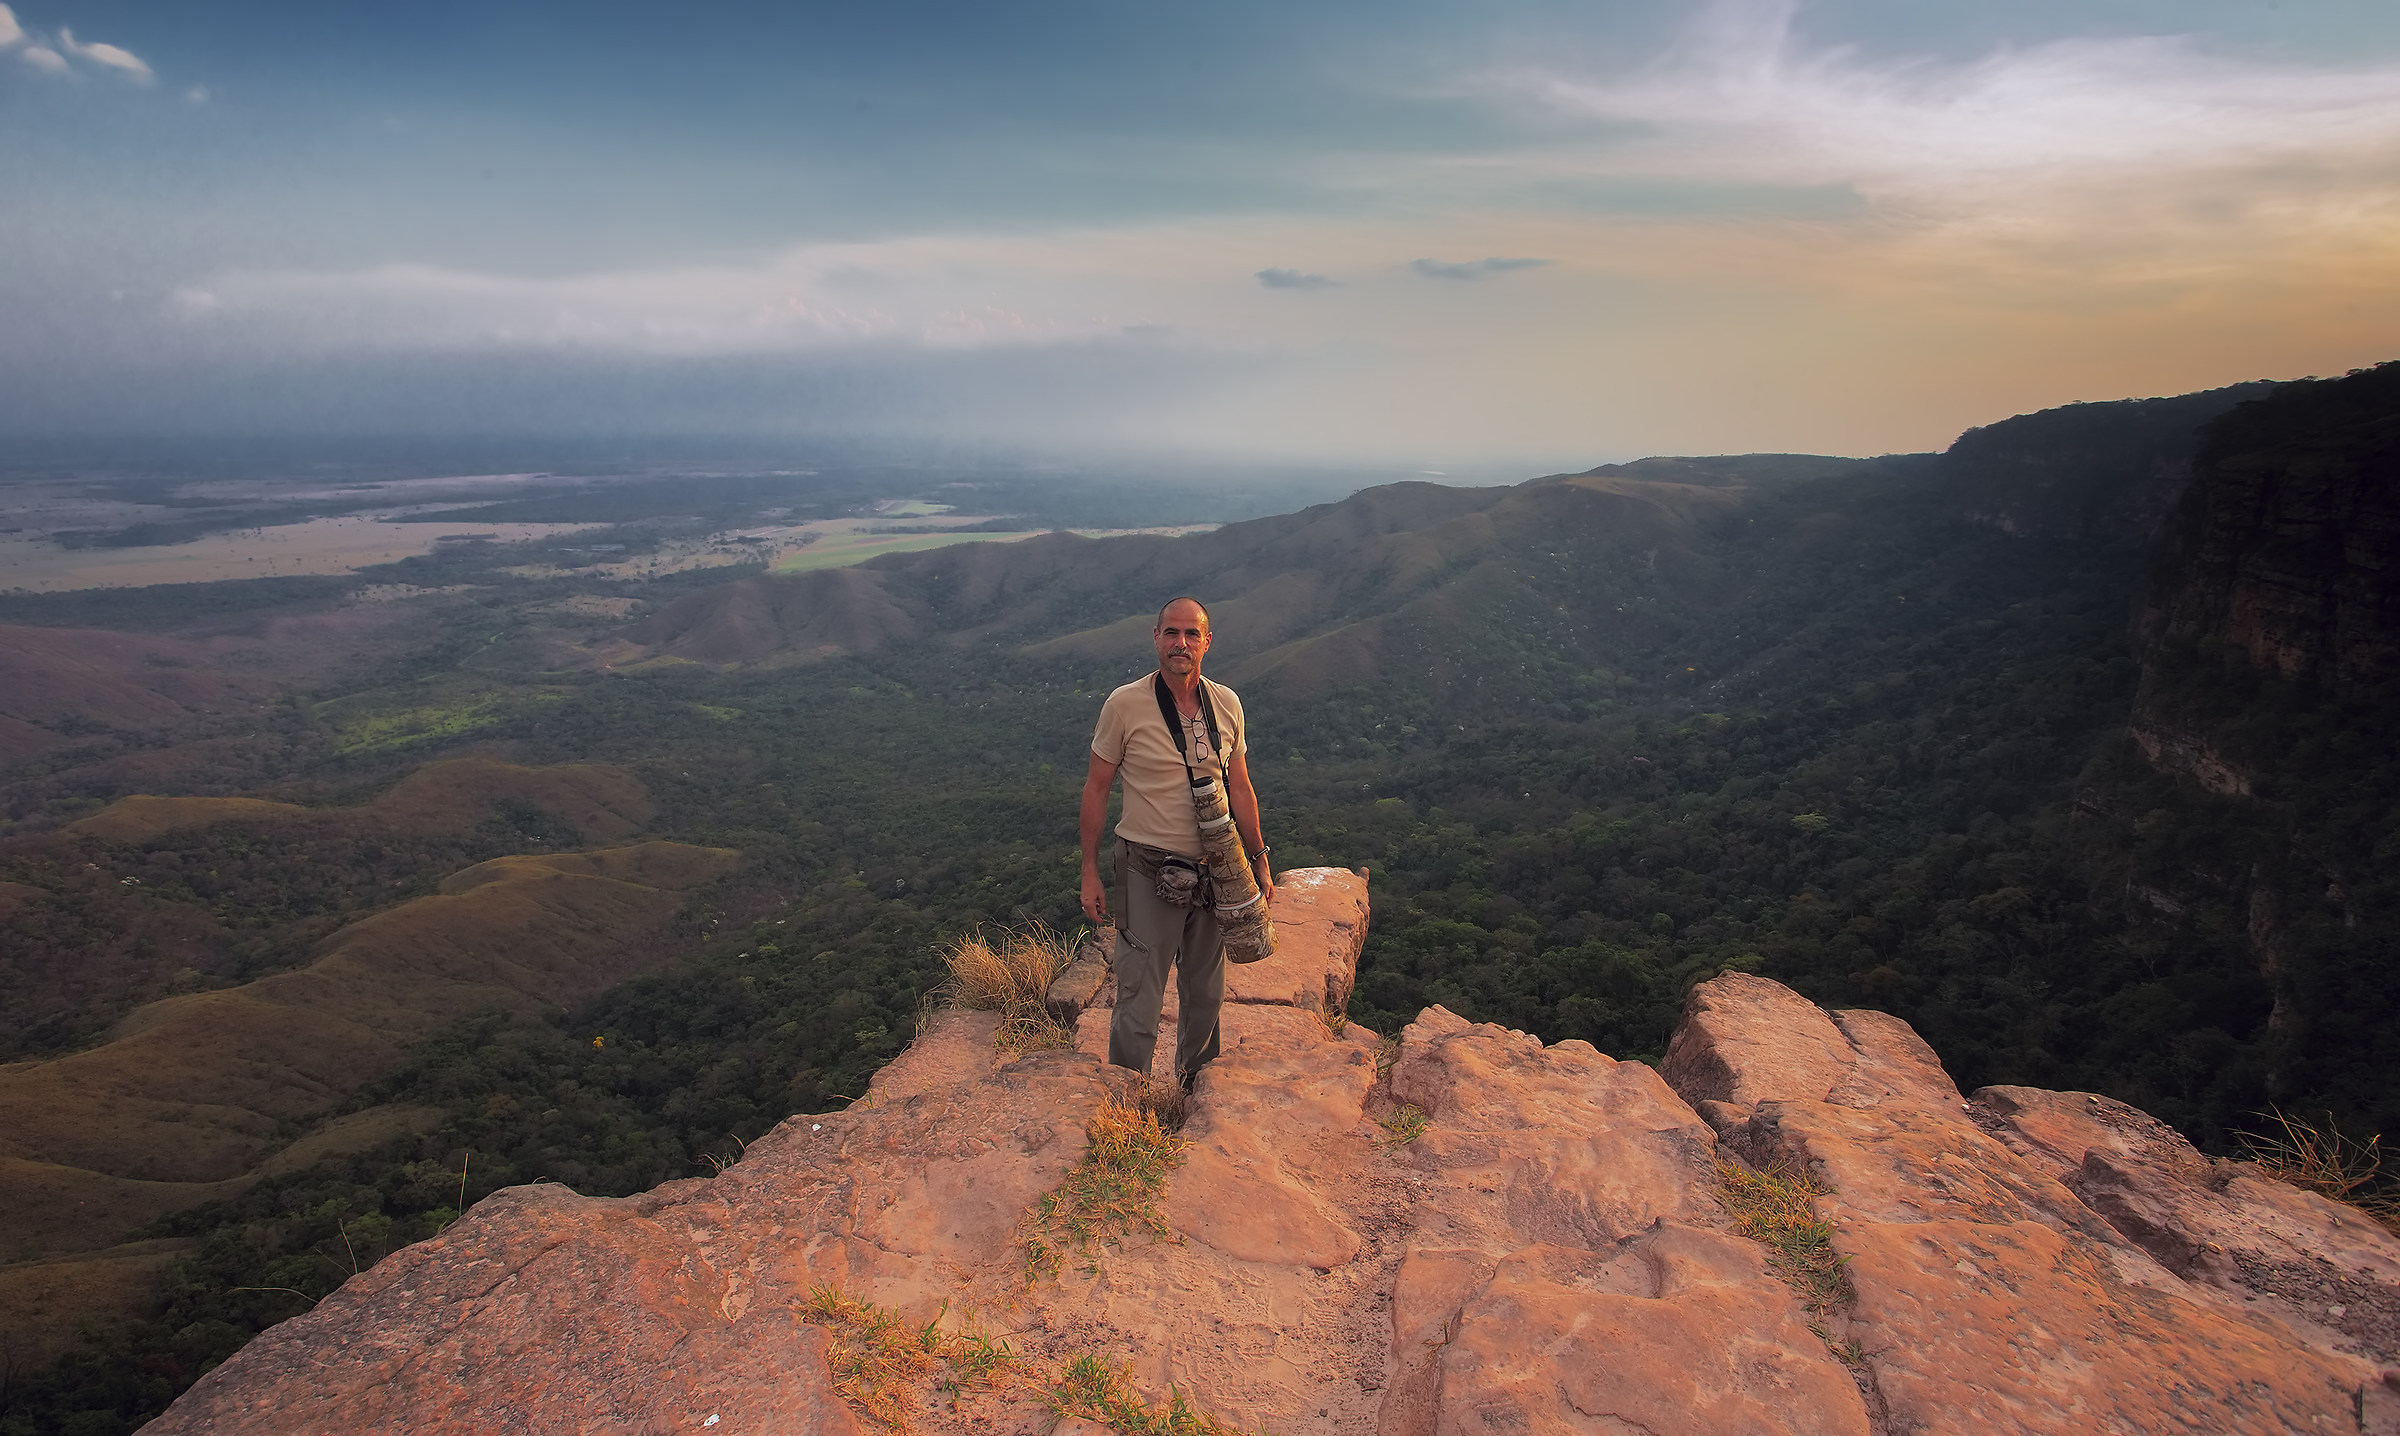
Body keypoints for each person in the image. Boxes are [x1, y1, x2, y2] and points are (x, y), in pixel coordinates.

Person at [1079, 596, 1274, 1081]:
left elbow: (1241, 786)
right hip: (1147, 867)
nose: (1180, 643)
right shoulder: (1125, 704)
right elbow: (1097, 787)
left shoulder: (1227, 703)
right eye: (1171, 633)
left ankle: (1194, 1093)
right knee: (1140, 990)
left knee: (1205, 992)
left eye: (1191, 634)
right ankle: (1126, 1101)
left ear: (1207, 642)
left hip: (1214, 871)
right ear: (1155, 638)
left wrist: (1258, 861)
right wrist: (1088, 870)